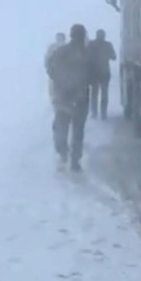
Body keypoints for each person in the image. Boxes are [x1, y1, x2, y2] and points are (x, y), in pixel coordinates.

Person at [47, 24, 93, 171]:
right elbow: (95, 73)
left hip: (63, 96)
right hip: (81, 97)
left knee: (61, 125)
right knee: (78, 129)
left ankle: (62, 153)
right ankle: (75, 160)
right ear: (83, 35)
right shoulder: (87, 53)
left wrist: (61, 84)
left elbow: (50, 69)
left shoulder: (60, 52)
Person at [87, 29, 117, 120]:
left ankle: (94, 112)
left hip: (94, 73)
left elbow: (86, 57)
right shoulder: (107, 45)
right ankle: (103, 113)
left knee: (94, 94)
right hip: (104, 73)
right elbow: (114, 57)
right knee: (104, 94)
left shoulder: (91, 45)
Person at [45, 32, 65, 105]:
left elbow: (47, 60)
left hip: (54, 73)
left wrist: (48, 70)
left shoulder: (52, 47)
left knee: (53, 91)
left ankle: (56, 103)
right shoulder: (67, 47)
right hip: (63, 74)